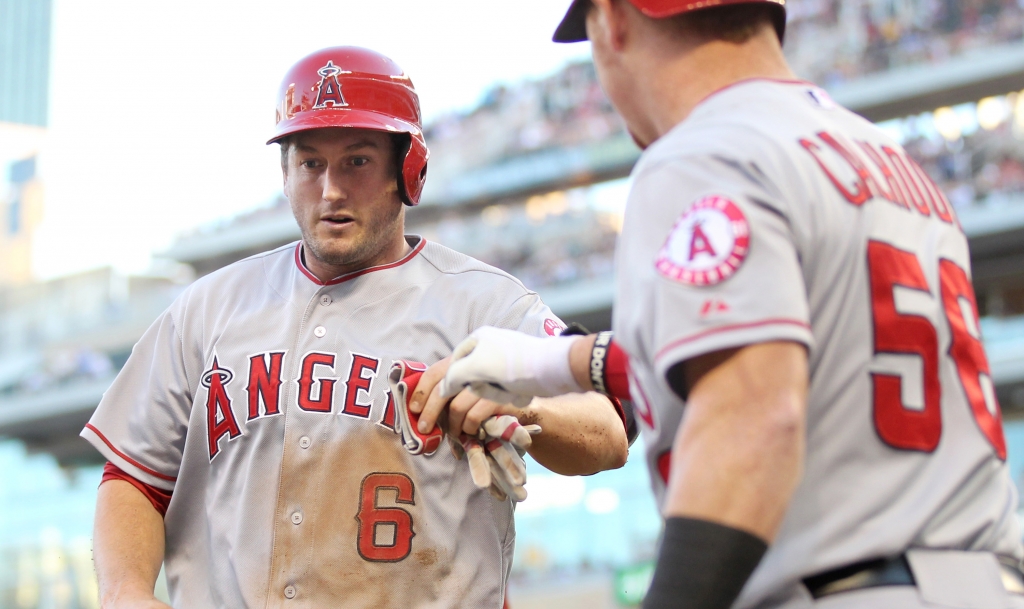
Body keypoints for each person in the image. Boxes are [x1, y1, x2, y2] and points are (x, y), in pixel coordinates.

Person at [434, 1, 1024, 607]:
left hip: (849, 587)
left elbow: (752, 414)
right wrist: (546, 364)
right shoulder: (889, 156)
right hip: (985, 580)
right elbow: (783, 346)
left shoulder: (702, 151)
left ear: (614, 22)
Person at [82, 46, 629, 609]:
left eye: (358, 161)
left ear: (407, 170)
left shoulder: (482, 301)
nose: (331, 190)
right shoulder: (207, 309)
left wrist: (525, 406)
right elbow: (134, 477)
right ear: (286, 173)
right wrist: (124, 591)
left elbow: (607, 433)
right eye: (311, 163)